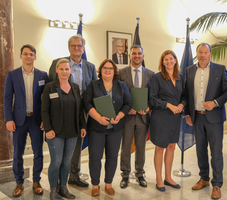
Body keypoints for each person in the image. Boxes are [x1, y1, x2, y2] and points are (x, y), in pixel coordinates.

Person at [49, 34, 97, 188]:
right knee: (60, 144)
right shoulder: (58, 63)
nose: (76, 48)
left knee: (77, 144)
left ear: (83, 49)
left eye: (79, 46)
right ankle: (57, 180)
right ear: (69, 47)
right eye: (73, 46)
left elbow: (95, 89)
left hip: (82, 111)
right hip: (61, 110)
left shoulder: (90, 67)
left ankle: (73, 176)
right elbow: (50, 89)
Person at [184, 43, 227, 199]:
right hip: (197, 117)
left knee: (216, 152)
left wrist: (215, 102)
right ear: (196, 53)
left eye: (205, 52)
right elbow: (186, 94)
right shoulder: (189, 70)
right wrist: (187, 114)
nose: (202, 55)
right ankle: (204, 178)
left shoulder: (220, 69)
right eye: (200, 52)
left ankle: (217, 184)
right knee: (200, 150)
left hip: (214, 117)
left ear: (210, 53)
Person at [4, 44, 49, 197]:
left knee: (38, 153)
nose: (28, 56)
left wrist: (46, 119)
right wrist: (8, 119)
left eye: (31, 54)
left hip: (36, 120)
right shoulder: (12, 74)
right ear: (21, 56)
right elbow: (8, 98)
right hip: (18, 121)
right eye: (25, 54)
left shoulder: (43, 75)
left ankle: (36, 181)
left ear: (35, 56)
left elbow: (47, 100)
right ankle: (19, 182)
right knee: (18, 153)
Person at [83, 59, 132, 196]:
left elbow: (128, 103)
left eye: (110, 68)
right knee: (95, 157)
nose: (107, 70)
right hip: (96, 128)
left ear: (114, 71)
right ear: (100, 70)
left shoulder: (121, 85)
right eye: (105, 68)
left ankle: (108, 183)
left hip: (115, 128)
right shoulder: (93, 85)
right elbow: (87, 103)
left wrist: (120, 116)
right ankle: (95, 185)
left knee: (112, 157)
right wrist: (98, 118)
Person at [42, 59, 87, 200]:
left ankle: (63, 187)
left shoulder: (74, 87)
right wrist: (48, 129)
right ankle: (53, 190)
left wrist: (82, 126)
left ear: (70, 70)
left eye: (67, 69)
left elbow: (79, 110)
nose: (64, 72)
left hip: (72, 131)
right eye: (61, 69)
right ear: (56, 70)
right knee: (56, 161)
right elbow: (44, 111)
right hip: (55, 132)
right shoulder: (50, 87)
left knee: (67, 162)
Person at [118, 44, 154, 189]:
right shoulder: (121, 73)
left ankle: (140, 174)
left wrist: (149, 107)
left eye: (139, 54)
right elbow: (117, 94)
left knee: (141, 147)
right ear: (130, 56)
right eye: (134, 53)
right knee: (125, 147)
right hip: (127, 117)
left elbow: (153, 95)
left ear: (143, 56)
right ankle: (125, 175)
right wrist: (125, 109)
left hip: (143, 117)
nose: (137, 56)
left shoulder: (151, 74)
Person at [149, 50, 185, 192]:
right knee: (160, 148)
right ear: (162, 62)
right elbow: (152, 98)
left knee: (171, 147)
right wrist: (168, 105)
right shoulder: (157, 77)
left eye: (171, 58)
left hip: (175, 117)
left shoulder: (181, 77)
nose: (169, 61)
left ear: (175, 60)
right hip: (161, 117)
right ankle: (159, 178)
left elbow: (185, 96)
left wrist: (182, 105)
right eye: (166, 59)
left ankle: (168, 177)